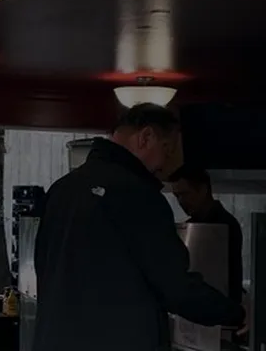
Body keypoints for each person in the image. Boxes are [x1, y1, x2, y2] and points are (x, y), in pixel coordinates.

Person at [33, 103, 245, 351]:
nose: (165, 165)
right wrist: (236, 314)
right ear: (146, 137)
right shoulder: (138, 194)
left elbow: (42, 268)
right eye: (167, 149)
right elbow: (176, 287)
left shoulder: (61, 189)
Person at [170, 165, 243, 305]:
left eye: (185, 194)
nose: (181, 201)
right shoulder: (192, 227)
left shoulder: (223, 225)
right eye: (177, 196)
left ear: (203, 190)